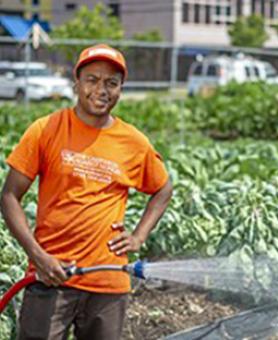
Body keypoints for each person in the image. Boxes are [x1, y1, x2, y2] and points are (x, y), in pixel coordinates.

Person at [0, 44, 173, 340]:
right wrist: (38, 256)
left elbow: (163, 188)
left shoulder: (133, 142)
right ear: (76, 82)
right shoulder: (46, 129)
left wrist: (139, 235)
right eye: (92, 79)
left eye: (111, 83)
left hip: (108, 283)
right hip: (51, 276)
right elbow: (8, 197)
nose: (101, 89)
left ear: (121, 89)